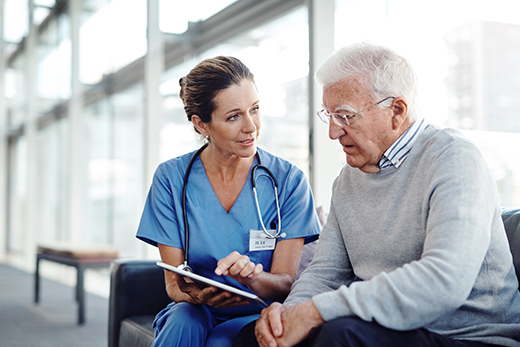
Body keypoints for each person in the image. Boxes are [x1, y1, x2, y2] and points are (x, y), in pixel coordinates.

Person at [233, 43, 520, 347]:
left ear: (396, 111)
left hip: (468, 337)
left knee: (339, 336)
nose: (333, 132)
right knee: (253, 338)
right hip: (385, 329)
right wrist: (288, 317)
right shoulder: (348, 179)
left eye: (344, 115)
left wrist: (316, 312)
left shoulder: (454, 158)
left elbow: (444, 280)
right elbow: (326, 273)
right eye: (329, 115)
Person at [135, 56, 321, 347]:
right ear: (201, 124)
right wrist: (195, 294)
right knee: (182, 321)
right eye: (234, 116)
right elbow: (173, 285)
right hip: (197, 308)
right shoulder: (171, 178)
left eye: (255, 110)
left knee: (222, 341)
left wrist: (252, 279)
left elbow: (285, 283)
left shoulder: (288, 181)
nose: (251, 127)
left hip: (258, 311)